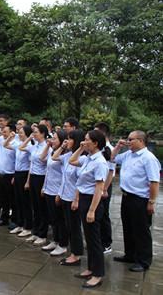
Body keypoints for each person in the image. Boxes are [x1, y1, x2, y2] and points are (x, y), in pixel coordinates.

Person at [111, 130, 161, 272]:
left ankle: (143, 260)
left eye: (131, 139)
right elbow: (112, 159)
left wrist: (151, 202)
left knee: (141, 230)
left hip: (140, 199)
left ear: (141, 141)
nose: (128, 141)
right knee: (128, 227)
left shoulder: (148, 158)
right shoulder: (128, 155)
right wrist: (118, 147)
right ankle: (130, 254)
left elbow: (154, 182)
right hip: (127, 197)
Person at [69, 130, 110, 288]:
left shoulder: (99, 162)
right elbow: (72, 161)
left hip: (92, 201)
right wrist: (80, 148)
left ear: (96, 143)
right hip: (84, 200)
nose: (84, 142)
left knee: (94, 240)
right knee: (89, 237)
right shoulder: (88, 158)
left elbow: (99, 189)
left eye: (86, 140)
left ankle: (98, 274)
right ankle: (90, 268)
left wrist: (92, 210)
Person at [53, 129, 86, 266]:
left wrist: (76, 199)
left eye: (70, 139)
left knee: (74, 228)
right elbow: (54, 157)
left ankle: (76, 255)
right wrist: (60, 194)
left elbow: (80, 181)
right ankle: (73, 253)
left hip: (73, 198)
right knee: (68, 226)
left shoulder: (82, 158)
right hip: (65, 196)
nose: (67, 141)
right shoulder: (68, 156)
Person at [20, 124, 50, 246]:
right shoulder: (34, 147)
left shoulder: (47, 148)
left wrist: (45, 185)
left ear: (43, 133)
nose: (34, 134)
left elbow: (48, 167)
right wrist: (29, 138)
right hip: (33, 177)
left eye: (36, 132)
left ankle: (42, 234)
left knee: (42, 208)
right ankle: (36, 232)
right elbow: (22, 147)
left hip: (42, 178)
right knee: (35, 207)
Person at [40, 130, 68, 256]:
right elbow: (47, 169)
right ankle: (55, 241)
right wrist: (44, 187)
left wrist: (60, 193)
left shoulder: (65, 156)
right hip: (49, 189)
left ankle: (63, 244)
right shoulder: (53, 152)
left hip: (58, 191)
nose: (52, 141)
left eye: (55, 139)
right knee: (53, 218)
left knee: (60, 219)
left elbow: (65, 176)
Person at [4, 125, 33, 237]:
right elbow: (5, 145)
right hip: (18, 174)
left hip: (25, 175)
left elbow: (31, 165)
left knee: (25, 202)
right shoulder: (17, 145)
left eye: (21, 133)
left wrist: (28, 181)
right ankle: (20, 224)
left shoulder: (29, 147)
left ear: (27, 134)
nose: (18, 134)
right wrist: (10, 137)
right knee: (18, 201)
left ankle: (28, 226)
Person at [94, 122, 115, 254]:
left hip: (105, 186)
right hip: (99, 186)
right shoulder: (100, 147)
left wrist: (104, 189)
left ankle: (106, 243)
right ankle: (99, 240)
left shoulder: (109, 149)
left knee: (103, 215)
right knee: (98, 215)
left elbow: (111, 172)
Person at [0, 125, 17, 227]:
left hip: (10, 174)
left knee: (12, 199)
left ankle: (15, 220)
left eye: (5, 132)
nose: (3, 134)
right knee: (3, 199)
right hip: (1, 174)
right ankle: (4, 219)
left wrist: (15, 176)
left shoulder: (16, 144)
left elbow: (17, 161)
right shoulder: (2, 141)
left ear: (11, 133)